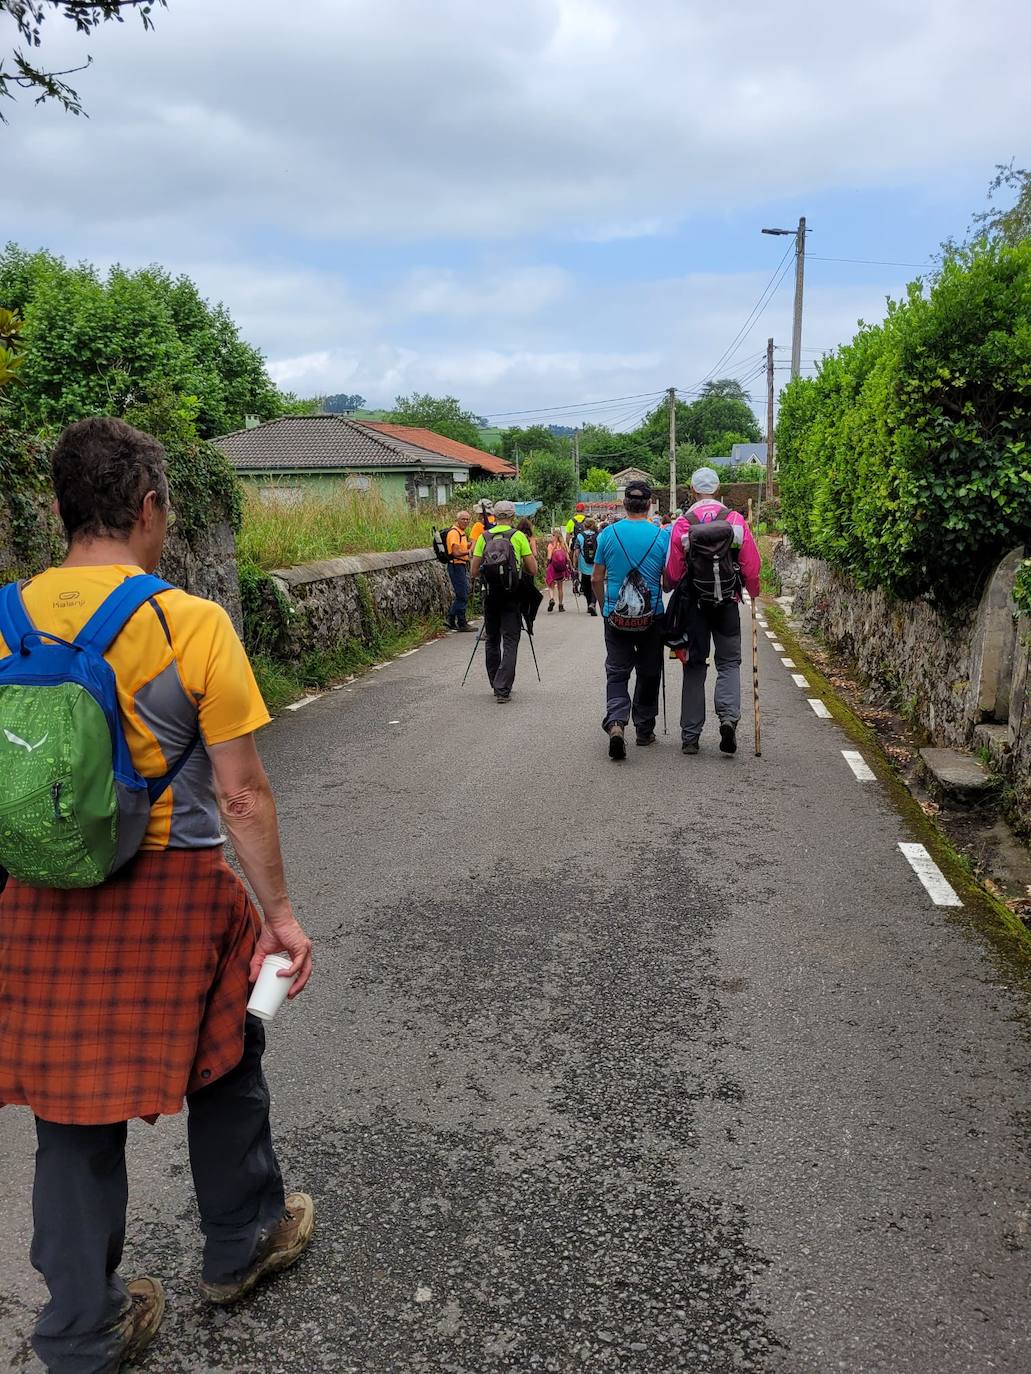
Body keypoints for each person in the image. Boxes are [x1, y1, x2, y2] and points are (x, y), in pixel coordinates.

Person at [0, 417, 315, 1373]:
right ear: (149, 509)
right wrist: (280, 917)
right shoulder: (190, 623)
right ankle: (242, 1238)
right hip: (176, 889)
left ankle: (82, 1327)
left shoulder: (7, 616)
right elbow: (242, 790)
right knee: (222, 1058)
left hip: (36, 895)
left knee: (70, 1107)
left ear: (57, 510)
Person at [663, 466, 761, 756]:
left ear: (692, 491)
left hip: (695, 606)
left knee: (694, 665)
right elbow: (752, 565)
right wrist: (752, 591)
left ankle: (691, 736)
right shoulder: (734, 520)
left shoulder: (683, 523)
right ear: (719, 490)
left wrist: (672, 587)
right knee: (729, 663)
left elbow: (673, 570)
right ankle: (728, 719)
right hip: (728, 603)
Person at [591, 479, 671, 759]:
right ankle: (644, 729)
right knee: (649, 672)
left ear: (624, 504)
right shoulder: (662, 537)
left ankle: (616, 722)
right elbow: (669, 581)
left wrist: (605, 607)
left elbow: (596, 577)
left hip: (616, 617)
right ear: (649, 505)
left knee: (617, 671)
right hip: (652, 618)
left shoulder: (607, 535)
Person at [469, 499, 538, 703]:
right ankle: (503, 687)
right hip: (512, 595)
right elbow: (533, 569)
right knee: (510, 640)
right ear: (512, 516)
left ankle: (494, 682)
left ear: (494, 516)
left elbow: (473, 571)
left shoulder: (484, 537)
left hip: (490, 595)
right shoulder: (518, 536)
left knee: (492, 639)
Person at [444, 509, 472, 632]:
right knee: (462, 595)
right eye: (463, 519)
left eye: (467, 519)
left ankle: (453, 621)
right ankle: (459, 622)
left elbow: (460, 548)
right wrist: (469, 551)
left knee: (463, 593)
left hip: (460, 566)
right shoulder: (454, 533)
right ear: (457, 520)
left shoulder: (461, 532)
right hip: (456, 566)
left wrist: (468, 546)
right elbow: (455, 552)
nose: (465, 521)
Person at [572, 517, 599, 615]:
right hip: (596, 565)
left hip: (584, 566)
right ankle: (593, 603)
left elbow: (576, 552)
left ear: (584, 525)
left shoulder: (580, 536)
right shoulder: (598, 536)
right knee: (595, 586)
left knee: (586, 586)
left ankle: (589, 605)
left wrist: (575, 566)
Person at [545, 527, 572, 612]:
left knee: (550, 585)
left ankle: (552, 599)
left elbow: (549, 558)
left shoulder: (551, 545)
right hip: (561, 569)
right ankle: (560, 605)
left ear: (554, 536)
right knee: (560, 588)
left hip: (552, 567)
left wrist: (547, 565)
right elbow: (568, 559)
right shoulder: (564, 545)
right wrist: (570, 567)